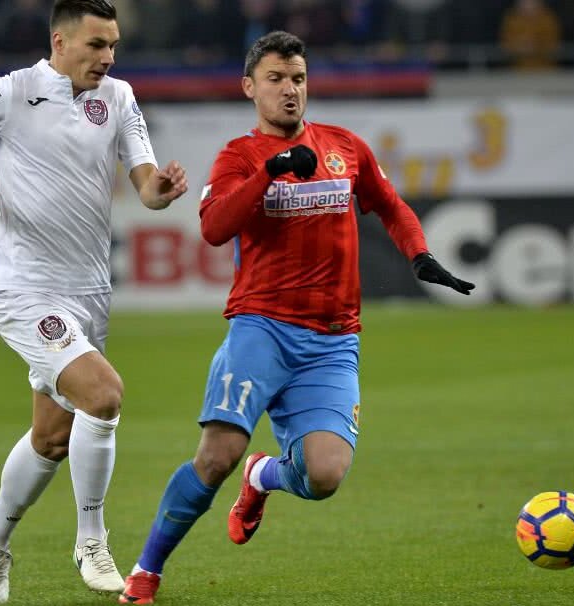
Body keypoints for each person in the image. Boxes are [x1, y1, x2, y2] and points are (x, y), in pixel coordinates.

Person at [118, 30, 474, 605]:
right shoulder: (239, 156)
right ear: (249, 88)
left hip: (332, 341)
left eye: (299, 79)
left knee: (324, 476)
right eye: (276, 79)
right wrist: (272, 170)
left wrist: (419, 254)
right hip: (262, 328)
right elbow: (214, 228)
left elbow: (390, 205)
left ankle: (263, 476)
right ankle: (146, 571)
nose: (290, 90)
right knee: (217, 456)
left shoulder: (345, 146)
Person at [0, 1, 187, 603]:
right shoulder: (11, 92)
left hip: (89, 291)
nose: (108, 57)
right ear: (60, 42)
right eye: (96, 45)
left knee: (53, 437)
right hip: (24, 287)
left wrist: (160, 191)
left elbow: (146, 185)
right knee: (103, 395)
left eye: (113, 45)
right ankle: (92, 541)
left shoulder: (119, 98)